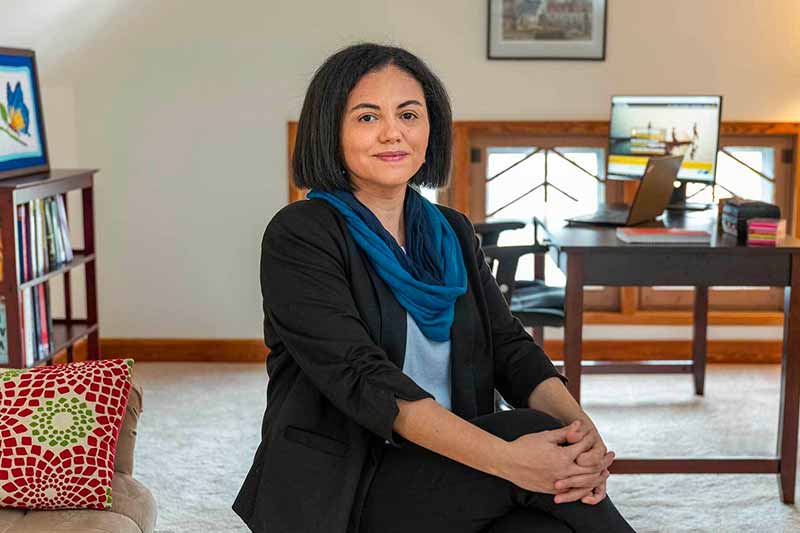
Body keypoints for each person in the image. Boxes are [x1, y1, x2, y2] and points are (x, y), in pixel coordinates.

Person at [233, 43, 636, 533]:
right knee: (530, 436)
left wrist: (581, 434)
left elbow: (509, 346)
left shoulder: (452, 231)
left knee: (544, 524)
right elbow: (365, 380)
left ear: (431, 127)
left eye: (408, 114)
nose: (392, 132)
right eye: (366, 117)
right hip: (345, 485)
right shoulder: (300, 235)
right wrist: (511, 461)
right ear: (329, 130)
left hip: (451, 465)